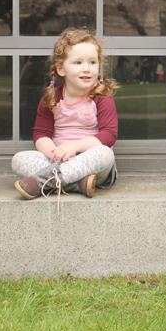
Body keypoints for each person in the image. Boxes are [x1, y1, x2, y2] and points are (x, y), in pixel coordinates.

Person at [12, 28, 119, 212]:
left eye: (92, 62)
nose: (86, 68)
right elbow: (40, 134)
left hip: (89, 161)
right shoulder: (52, 98)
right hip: (57, 158)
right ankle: (78, 185)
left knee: (105, 154)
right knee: (19, 159)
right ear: (61, 69)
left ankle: (42, 182)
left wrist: (74, 148)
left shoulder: (102, 97)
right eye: (78, 62)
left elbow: (109, 135)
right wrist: (55, 153)